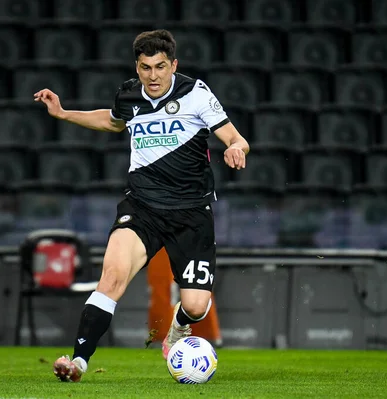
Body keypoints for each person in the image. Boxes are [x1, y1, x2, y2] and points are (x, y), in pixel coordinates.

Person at [34, 29, 249, 382]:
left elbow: (234, 136)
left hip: (191, 213)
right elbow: (112, 121)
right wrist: (64, 114)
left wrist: (236, 148)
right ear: (137, 66)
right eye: (145, 67)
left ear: (173, 65)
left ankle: (178, 328)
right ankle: (78, 363)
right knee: (112, 277)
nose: (152, 76)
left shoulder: (195, 93)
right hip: (143, 207)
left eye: (160, 67)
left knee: (195, 306)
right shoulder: (129, 93)